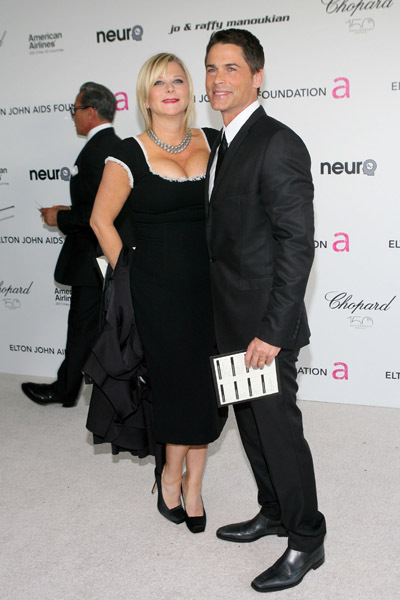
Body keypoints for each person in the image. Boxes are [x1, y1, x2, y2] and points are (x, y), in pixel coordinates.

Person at [204, 29, 326, 592]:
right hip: (230, 318)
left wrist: (274, 331)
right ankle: (273, 511)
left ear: (257, 76)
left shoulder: (277, 141)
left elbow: (296, 243)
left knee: (278, 432)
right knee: (250, 427)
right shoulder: (224, 143)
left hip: (264, 328)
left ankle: (306, 539)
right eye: (211, 69)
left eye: (231, 68)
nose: (218, 80)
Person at [89, 53, 225, 533]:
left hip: (214, 291)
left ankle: (195, 484)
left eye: (179, 80)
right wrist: (129, 273)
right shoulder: (127, 153)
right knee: (177, 388)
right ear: (146, 98)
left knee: (210, 388)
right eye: (159, 83)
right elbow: (100, 222)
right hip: (158, 293)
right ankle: (172, 476)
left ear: (191, 91)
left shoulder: (215, 142)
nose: (170, 89)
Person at [21, 82, 121, 408]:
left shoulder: (97, 151)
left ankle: (65, 391)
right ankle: (72, 387)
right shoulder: (113, 146)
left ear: (90, 112)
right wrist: (67, 211)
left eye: (75, 110)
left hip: (92, 257)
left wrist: (59, 219)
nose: (73, 116)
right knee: (96, 327)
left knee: (81, 328)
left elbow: (96, 213)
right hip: (103, 256)